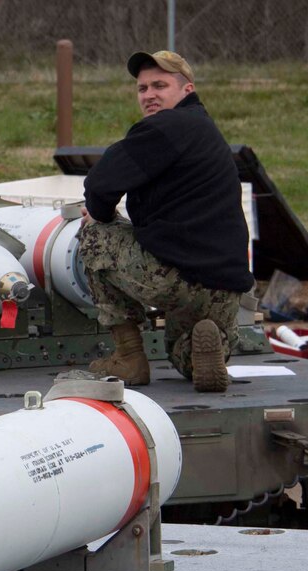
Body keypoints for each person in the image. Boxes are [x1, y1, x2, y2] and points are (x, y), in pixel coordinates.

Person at [80, 50, 254, 393]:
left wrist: (100, 216)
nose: (149, 95)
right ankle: (208, 343)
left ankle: (128, 356)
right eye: (142, 88)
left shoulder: (166, 127)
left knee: (94, 235)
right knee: (184, 359)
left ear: (186, 90)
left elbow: (101, 183)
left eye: (159, 85)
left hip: (175, 278)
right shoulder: (206, 131)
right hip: (226, 288)